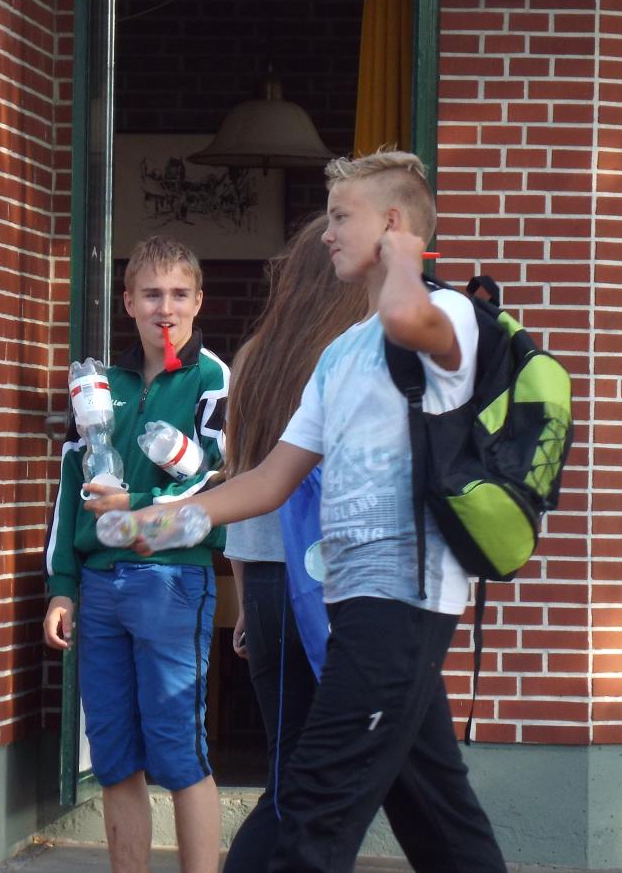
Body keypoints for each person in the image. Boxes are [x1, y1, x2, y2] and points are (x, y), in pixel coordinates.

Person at [90, 150, 507, 872]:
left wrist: (402, 259)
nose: (327, 233)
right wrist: (168, 520)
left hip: (402, 602)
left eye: (342, 217)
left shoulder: (449, 313)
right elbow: (270, 479)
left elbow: (404, 313)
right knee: (439, 815)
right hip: (350, 600)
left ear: (393, 225)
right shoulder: (341, 353)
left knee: (314, 805)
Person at [43, 235, 229, 873]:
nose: (165, 309)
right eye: (151, 294)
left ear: (199, 302)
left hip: (172, 579)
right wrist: (62, 585)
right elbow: (70, 488)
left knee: (179, 753)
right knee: (115, 756)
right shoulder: (101, 385)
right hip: (100, 586)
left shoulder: (211, 377)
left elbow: (220, 479)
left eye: (179, 295)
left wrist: (139, 502)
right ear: (127, 302)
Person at [221, 214, 369, 873]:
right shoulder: (350, 353)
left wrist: (246, 600)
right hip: (330, 582)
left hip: (267, 582)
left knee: (294, 767)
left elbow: (241, 485)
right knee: (314, 780)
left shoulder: (255, 356)